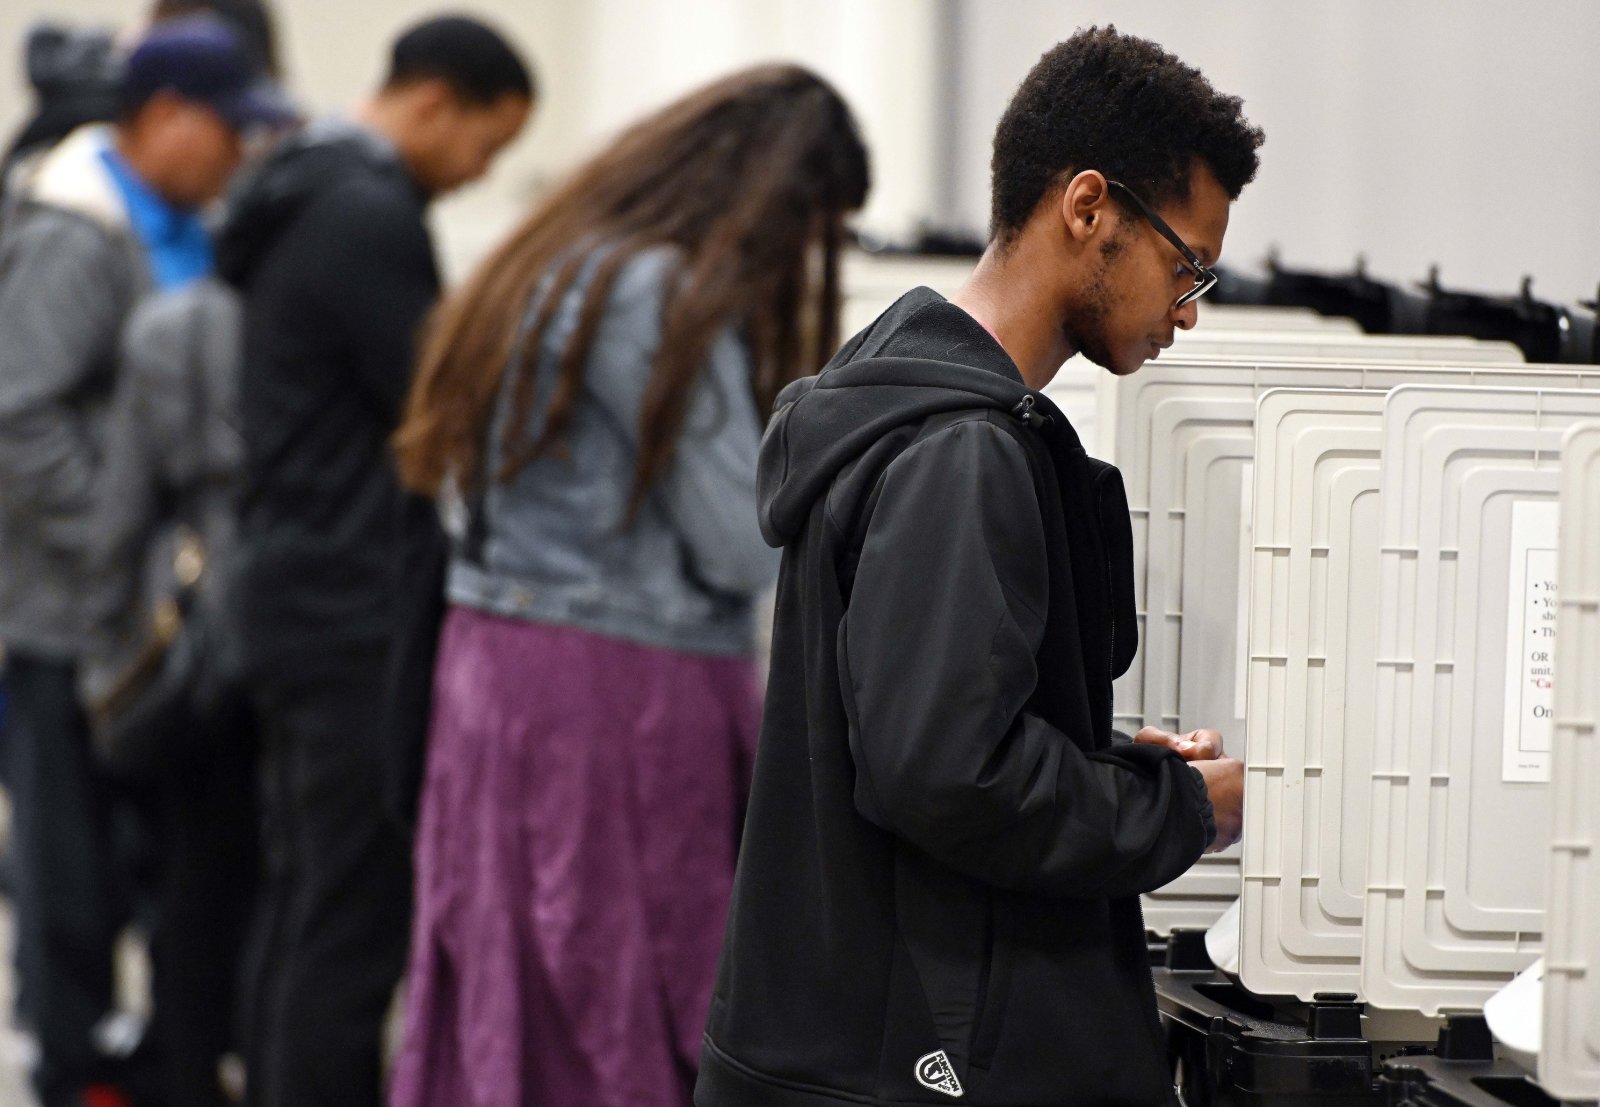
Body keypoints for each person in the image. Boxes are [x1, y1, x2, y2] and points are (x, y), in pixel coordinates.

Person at [696, 26, 1262, 1107]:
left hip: (842, 1039)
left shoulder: (892, 386)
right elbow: (948, 776)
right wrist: (1187, 809)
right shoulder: (962, 449)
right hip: (907, 1059)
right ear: (1087, 206)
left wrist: (1109, 761)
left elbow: (922, 725)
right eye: (1185, 265)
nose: (1187, 310)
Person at [386, 63, 869, 1107]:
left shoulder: (547, 258)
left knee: (516, 983)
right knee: (626, 991)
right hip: (618, 691)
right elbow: (740, 542)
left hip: (495, 670)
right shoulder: (646, 290)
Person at [211, 16, 533, 1107]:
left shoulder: (298, 189)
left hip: (293, 588)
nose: (479, 173)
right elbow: (439, 409)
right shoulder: (365, 209)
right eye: (488, 147)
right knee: (347, 925)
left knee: (306, 903)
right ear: (435, 101)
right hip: (349, 608)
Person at [0, 17, 294, 1107]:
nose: (239, 154)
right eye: (229, 130)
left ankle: (148, 1059)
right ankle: (77, 1075)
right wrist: (129, 546)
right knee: (70, 875)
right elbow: (20, 421)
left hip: (151, 618)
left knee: (165, 867)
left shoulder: (180, 219)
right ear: (166, 118)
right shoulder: (76, 233)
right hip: (70, 616)